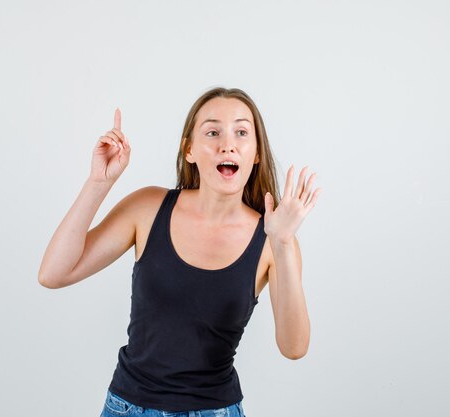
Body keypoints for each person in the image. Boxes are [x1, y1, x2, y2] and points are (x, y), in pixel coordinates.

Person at [38, 87, 321, 417]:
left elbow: (294, 347)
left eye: (242, 132)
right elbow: (53, 273)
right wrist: (99, 182)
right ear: (190, 150)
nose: (227, 143)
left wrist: (283, 244)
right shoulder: (147, 207)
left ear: (256, 153)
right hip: (126, 408)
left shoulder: (275, 239)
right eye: (212, 131)